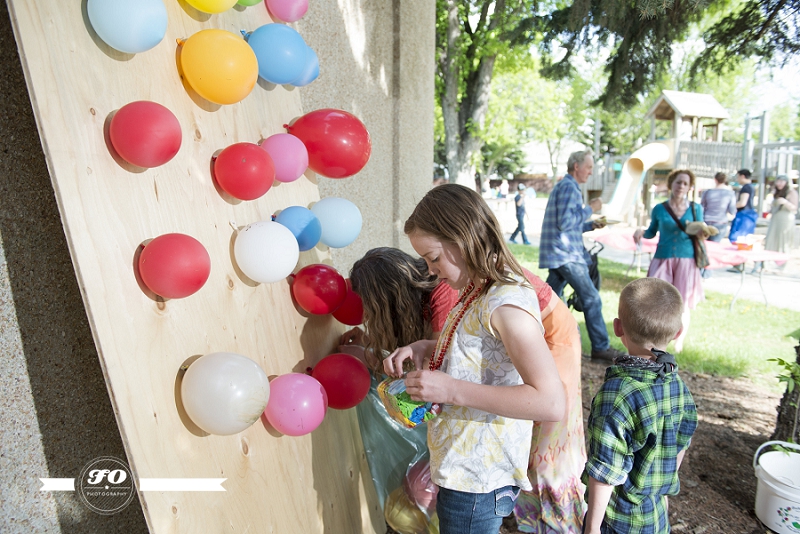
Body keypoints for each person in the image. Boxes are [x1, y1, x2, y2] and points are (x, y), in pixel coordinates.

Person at [343, 246, 588, 533]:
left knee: (547, 456)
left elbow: (451, 372)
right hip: (477, 461)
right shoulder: (445, 285)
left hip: (549, 338)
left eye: (432, 257)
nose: (431, 268)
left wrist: (373, 356)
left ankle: (559, 523)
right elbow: (454, 358)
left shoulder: (447, 292)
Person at [383, 184, 566, 534]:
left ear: (463, 238)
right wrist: (428, 348)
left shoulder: (506, 304)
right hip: (464, 471)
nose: (430, 269)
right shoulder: (475, 289)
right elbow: (482, 356)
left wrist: (451, 390)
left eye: (433, 257)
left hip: (479, 481)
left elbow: (550, 402)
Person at [582, 277, 698, 534]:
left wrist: (592, 528)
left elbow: (605, 472)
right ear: (678, 331)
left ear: (618, 328)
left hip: (618, 521)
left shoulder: (617, 395)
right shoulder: (677, 385)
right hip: (656, 517)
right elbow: (679, 445)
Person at [539, 150, 623, 362]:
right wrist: (591, 208)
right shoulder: (569, 187)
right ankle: (600, 348)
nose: (591, 172)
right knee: (591, 298)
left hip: (558, 252)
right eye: (588, 167)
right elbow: (566, 223)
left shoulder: (564, 186)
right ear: (576, 166)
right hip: (566, 255)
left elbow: (568, 224)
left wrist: (589, 225)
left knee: (549, 300)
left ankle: (542, 341)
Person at [633, 169, 705, 353]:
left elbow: (703, 233)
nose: (681, 186)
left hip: (686, 259)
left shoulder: (696, 209)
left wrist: (702, 234)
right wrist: (641, 232)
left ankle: (679, 339)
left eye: (685, 183)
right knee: (656, 298)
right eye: (678, 182)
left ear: (690, 187)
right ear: (671, 183)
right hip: (663, 257)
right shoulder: (659, 208)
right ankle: (655, 337)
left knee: (682, 302)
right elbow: (651, 231)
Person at [754, 175, 798, 273]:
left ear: (786, 182)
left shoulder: (792, 192)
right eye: (778, 181)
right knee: (770, 240)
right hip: (775, 218)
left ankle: (781, 266)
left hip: (786, 219)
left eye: (782, 181)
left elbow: (794, 208)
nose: (779, 184)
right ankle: (766, 264)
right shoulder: (776, 192)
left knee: (783, 242)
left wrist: (785, 202)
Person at [700, 172, 736, 242]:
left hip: (706, 221)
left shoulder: (707, 192)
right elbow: (732, 211)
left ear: (715, 180)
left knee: (704, 245)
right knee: (715, 247)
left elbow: (702, 207)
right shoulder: (730, 194)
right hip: (720, 222)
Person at [728, 169, 758, 244]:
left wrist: (730, 207)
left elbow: (742, 203)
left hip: (744, 215)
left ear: (742, 176)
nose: (737, 179)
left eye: (738, 177)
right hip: (749, 214)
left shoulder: (746, 187)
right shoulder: (751, 187)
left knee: (737, 239)